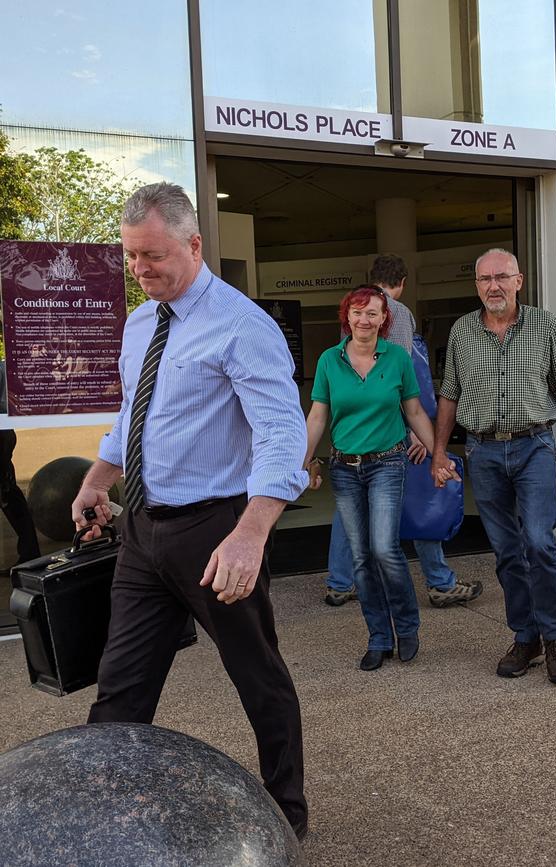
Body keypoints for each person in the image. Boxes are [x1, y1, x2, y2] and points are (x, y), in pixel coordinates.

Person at [71, 182, 309, 840]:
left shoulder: (242, 325)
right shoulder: (141, 320)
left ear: (194, 244)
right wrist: (100, 476)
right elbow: (134, 415)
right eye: (130, 257)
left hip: (217, 531)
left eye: (153, 255)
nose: (140, 269)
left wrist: (250, 534)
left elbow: (283, 437)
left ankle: (287, 808)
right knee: (120, 687)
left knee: (257, 675)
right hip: (144, 533)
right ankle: (98, 813)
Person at [433, 248, 556, 684]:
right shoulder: (463, 331)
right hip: (482, 453)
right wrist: (439, 450)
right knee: (506, 551)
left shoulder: (544, 325)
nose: (493, 287)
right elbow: (450, 394)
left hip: (534, 447)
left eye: (501, 277)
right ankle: (527, 637)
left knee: (539, 542)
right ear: (477, 286)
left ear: (518, 281)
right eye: (485, 280)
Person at [325, 254, 482, 609]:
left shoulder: (354, 312)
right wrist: (417, 431)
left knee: (349, 505)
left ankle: (340, 581)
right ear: (402, 283)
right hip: (390, 431)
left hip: (352, 431)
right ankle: (440, 582)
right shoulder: (396, 313)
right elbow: (402, 378)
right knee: (417, 496)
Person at [305, 285, 435, 671]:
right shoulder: (330, 360)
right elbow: (317, 416)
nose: (364, 320)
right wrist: (303, 461)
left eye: (372, 314)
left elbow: (413, 411)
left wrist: (438, 455)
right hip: (345, 467)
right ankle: (379, 636)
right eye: (358, 313)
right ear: (347, 317)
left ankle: (407, 626)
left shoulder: (397, 357)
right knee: (360, 558)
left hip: (388, 463)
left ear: (383, 320)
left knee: (384, 548)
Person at [0, 359, 41, 572]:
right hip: (3, 439)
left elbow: (6, 410)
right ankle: (29, 553)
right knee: (10, 499)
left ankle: (29, 554)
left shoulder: (2, 370)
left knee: (10, 498)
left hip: (1, 439)